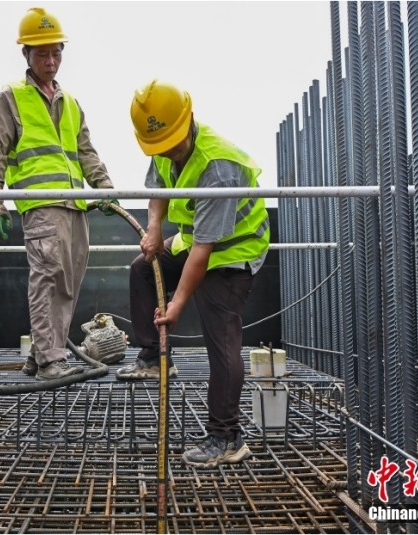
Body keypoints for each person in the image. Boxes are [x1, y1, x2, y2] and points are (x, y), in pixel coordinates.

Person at [117, 80, 270, 468]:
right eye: (159, 147)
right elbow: (159, 193)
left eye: (173, 143)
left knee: (220, 336)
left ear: (190, 120)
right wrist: (153, 227)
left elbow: (203, 253)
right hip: (195, 241)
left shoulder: (218, 166)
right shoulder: (164, 140)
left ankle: (227, 437)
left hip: (233, 250)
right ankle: (153, 356)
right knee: (141, 270)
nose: (167, 151)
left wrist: (177, 304)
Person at [0, 7, 119, 381]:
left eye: (56, 52)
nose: (51, 61)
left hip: (75, 206)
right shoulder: (10, 98)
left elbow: (86, 152)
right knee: (49, 278)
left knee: (68, 284)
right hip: (41, 206)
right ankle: (50, 360)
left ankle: (42, 353)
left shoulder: (70, 102)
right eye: (42, 53)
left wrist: (105, 187)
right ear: (26, 54)